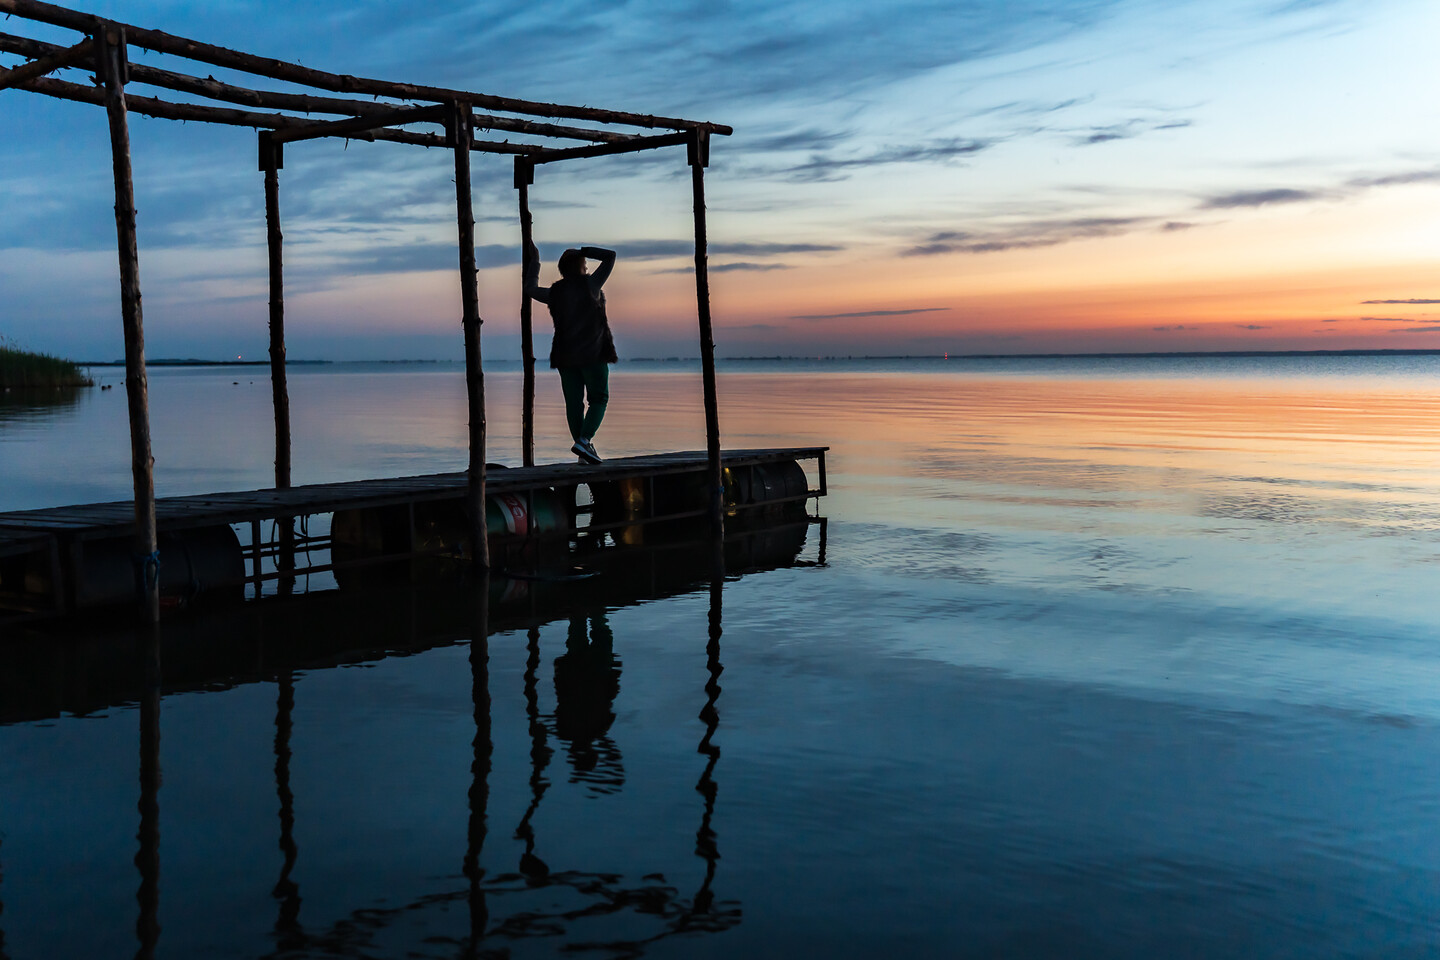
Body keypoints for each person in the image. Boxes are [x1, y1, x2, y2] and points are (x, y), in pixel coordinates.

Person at [524, 241, 617, 463]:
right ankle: (584, 441)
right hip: (592, 353)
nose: (586, 267)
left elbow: (530, 289)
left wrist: (535, 262)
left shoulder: (555, 293)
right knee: (599, 399)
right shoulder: (591, 284)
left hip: (566, 357)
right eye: (584, 264)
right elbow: (610, 256)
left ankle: (583, 451)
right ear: (581, 267)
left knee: (574, 403)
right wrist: (583, 250)